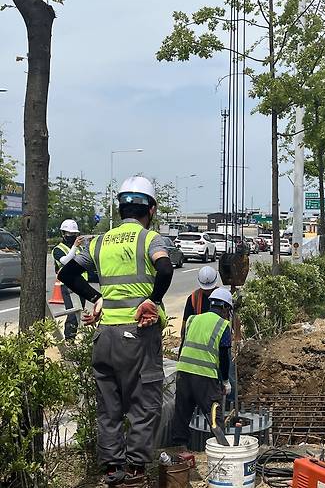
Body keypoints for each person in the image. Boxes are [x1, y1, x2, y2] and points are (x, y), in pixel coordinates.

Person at [58, 176, 174, 486]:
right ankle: (135, 471)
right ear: (150, 209)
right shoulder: (150, 239)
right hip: (138, 334)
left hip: (104, 337)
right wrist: (153, 300)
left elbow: (66, 272)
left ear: (120, 207)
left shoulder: (97, 241)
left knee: (108, 406)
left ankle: (112, 470)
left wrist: (97, 298)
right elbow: (164, 269)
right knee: (144, 402)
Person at [172, 287, 233, 447]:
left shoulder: (193, 319)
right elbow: (224, 357)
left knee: (181, 414)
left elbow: (184, 342)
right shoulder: (223, 325)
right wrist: (225, 381)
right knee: (214, 416)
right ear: (225, 308)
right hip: (205, 377)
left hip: (183, 373)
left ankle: (179, 451)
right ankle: (222, 450)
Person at [52, 219, 87, 340]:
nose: (72, 236)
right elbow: (65, 261)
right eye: (69, 233)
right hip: (68, 286)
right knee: (72, 314)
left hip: (82, 285)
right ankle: (69, 339)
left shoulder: (80, 248)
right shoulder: (57, 249)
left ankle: (76, 339)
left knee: (79, 314)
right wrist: (75, 246)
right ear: (63, 233)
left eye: (74, 234)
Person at [181, 266, 219, 338]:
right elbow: (185, 324)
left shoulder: (222, 297)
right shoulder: (193, 298)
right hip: (200, 339)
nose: (207, 291)